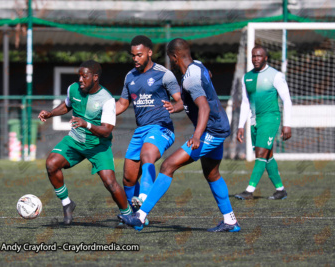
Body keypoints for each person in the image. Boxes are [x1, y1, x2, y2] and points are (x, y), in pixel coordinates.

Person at [118, 38, 240, 232]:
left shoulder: (190, 78)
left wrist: (198, 135)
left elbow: (204, 107)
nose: (171, 63)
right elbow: (204, 79)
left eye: (171, 58)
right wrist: (176, 106)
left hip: (211, 131)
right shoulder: (197, 67)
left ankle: (140, 216)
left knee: (167, 166)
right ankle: (230, 221)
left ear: (174, 57)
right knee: (212, 173)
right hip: (219, 126)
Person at [38, 60, 131, 225]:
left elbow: (107, 130)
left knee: (110, 183)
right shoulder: (73, 88)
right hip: (75, 140)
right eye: (79, 76)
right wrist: (50, 113)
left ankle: (128, 215)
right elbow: (67, 105)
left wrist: (86, 124)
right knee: (51, 164)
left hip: (98, 146)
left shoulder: (107, 99)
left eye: (84, 76)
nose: (80, 79)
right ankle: (67, 204)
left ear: (95, 77)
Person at [116, 35, 183, 213]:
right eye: (133, 55)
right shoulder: (130, 76)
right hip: (140, 131)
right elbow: (122, 104)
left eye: (139, 55)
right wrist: (101, 115)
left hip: (161, 128)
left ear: (150, 53)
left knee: (147, 155)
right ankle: (135, 217)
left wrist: (175, 107)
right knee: (129, 179)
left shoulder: (164, 74)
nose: (135, 59)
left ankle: (144, 200)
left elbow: (182, 100)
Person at [235, 45, 292, 200]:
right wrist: (241, 125)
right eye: (253, 56)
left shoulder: (276, 75)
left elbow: (287, 100)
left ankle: (249, 190)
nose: (256, 59)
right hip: (255, 121)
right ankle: (280, 190)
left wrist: (287, 124)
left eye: (259, 56)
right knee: (267, 155)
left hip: (270, 118)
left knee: (260, 153)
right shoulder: (247, 77)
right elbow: (246, 103)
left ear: (266, 57)